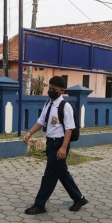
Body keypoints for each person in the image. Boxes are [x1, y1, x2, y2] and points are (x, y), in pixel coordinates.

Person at [23, 76, 87, 215]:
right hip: (50, 143)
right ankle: (79, 198)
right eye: (49, 88)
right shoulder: (48, 103)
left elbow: (69, 128)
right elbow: (41, 121)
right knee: (62, 172)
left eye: (54, 89)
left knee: (50, 174)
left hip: (59, 143)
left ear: (61, 91)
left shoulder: (65, 106)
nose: (50, 91)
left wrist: (63, 148)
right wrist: (30, 133)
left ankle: (40, 204)